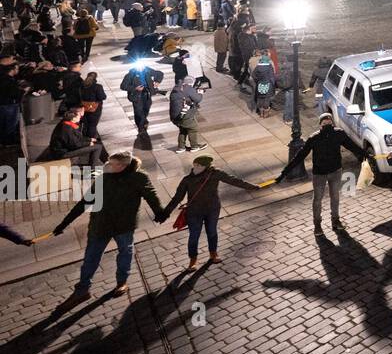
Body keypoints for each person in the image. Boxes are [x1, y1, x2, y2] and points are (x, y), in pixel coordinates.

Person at [53, 151, 165, 309]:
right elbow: (85, 202)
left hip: (123, 226)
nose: (108, 166)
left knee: (125, 252)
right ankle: (82, 291)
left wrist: (160, 213)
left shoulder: (139, 178)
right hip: (101, 225)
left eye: (112, 164)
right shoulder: (103, 178)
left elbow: (151, 196)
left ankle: (122, 282)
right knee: (90, 258)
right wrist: (64, 223)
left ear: (123, 165)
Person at [158, 154, 258, 270]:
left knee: (212, 231)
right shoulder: (187, 180)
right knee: (194, 236)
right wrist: (165, 213)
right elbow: (177, 198)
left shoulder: (215, 174)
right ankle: (193, 260)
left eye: (199, 165)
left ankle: (213, 254)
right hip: (194, 212)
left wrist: (252, 187)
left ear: (204, 166)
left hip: (212, 209)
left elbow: (234, 180)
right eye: (195, 165)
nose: (196, 167)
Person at [276, 113, 368, 233]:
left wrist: (366, 154)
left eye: (329, 123)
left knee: (335, 197)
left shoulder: (339, 134)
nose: (327, 126)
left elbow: (352, 146)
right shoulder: (314, 138)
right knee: (317, 199)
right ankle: (317, 225)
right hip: (319, 174)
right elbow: (300, 156)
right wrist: (284, 173)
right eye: (324, 124)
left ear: (333, 124)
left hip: (336, 171)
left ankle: (335, 221)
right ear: (320, 125)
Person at [120, 62, 164, 135]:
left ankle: (144, 121)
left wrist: (157, 81)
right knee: (138, 112)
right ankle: (141, 128)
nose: (141, 68)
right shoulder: (131, 74)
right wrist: (135, 88)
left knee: (146, 109)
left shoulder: (147, 70)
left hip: (147, 93)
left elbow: (160, 73)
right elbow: (123, 86)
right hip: (137, 95)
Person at [169, 76, 207, 152]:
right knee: (193, 128)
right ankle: (194, 147)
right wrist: (200, 93)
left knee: (183, 129)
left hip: (175, 116)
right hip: (184, 115)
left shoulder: (177, 88)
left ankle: (181, 147)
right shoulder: (188, 88)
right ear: (191, 83)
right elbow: (197, 99)